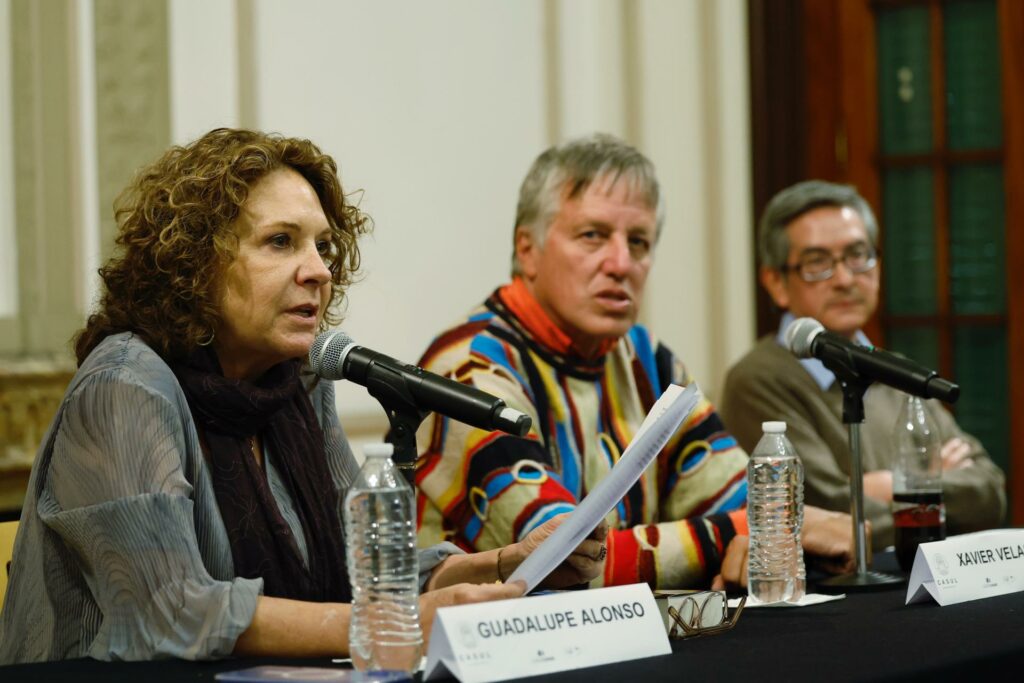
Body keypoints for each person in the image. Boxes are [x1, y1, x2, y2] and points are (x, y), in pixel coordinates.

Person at [0, 129, 607, 664]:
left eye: (322, 246)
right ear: (195, 263)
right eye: (281, 242)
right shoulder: (124, 387)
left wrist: (507, 565)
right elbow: (171, 611)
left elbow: (360, 567)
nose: (319, 270)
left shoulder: (297, 384)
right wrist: (389, 625)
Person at [414, 134, 856, 592]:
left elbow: (739, 497)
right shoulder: (466, 369)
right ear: (527, 249)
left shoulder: (647, 358)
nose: (622, 263)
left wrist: (763, 530)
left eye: (639, 242)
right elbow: (567, 562)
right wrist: (754, 533)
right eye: (593, 236)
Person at [720, 180, 1006, 549]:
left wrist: (888, 485)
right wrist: (929, 481)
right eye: (817, 262)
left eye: (858, 256)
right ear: (776, 282)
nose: (844, 279)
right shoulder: (758, 379)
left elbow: (989, 493)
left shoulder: (894, 371)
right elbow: (828, 513)